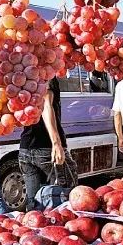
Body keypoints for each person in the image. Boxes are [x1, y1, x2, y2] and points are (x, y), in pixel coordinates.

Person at [19, 77, 78, 210]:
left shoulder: (26, 78)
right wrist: (56, 143)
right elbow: (45, 104)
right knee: (66, 199)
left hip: (26, 148)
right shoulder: (46, 74)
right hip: (46, 147)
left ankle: (32, 228)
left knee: (34, 204)